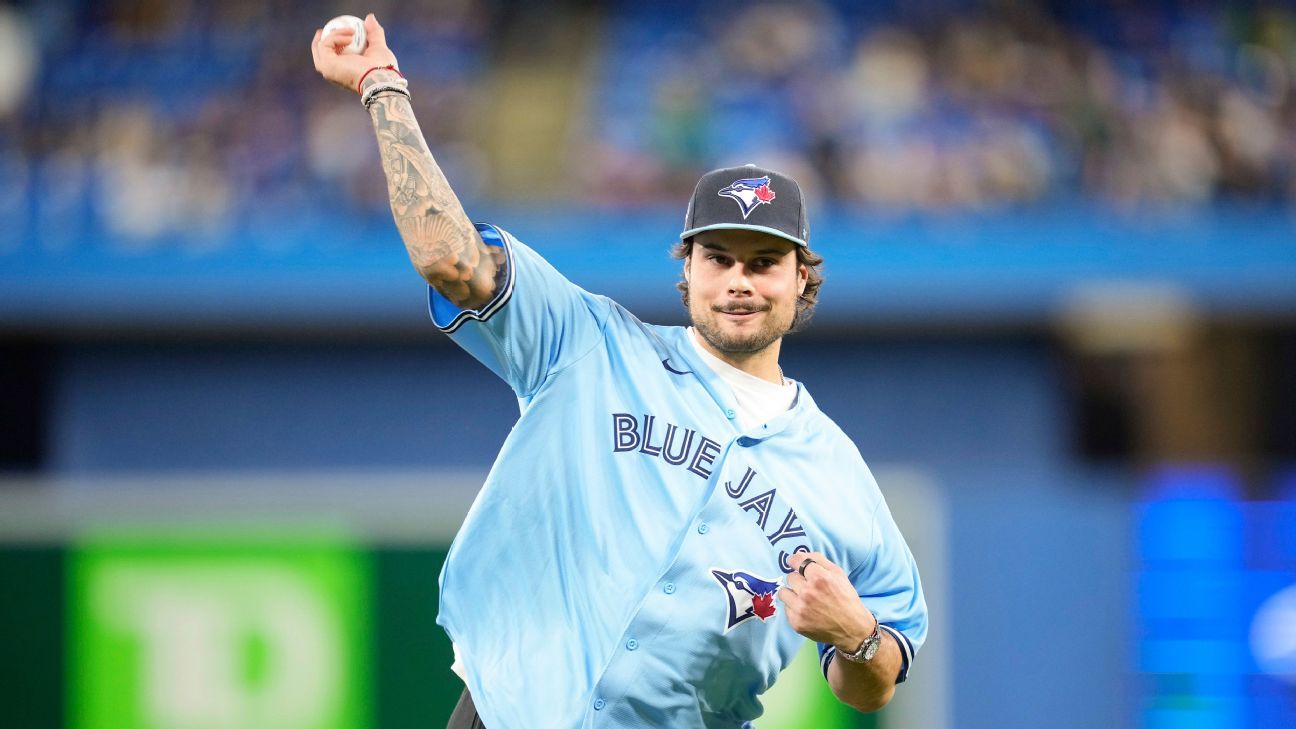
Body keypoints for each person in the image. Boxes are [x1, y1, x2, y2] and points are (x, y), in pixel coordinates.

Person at [312, 15, 926, 728]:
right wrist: (381, 87)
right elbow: (451, 261)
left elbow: (873, 683)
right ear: (687, 269)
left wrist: (857, 637)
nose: (738, 281)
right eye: (718, 258)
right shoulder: (590, 344)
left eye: (763, 263)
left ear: (802, 280)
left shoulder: (839, 477)